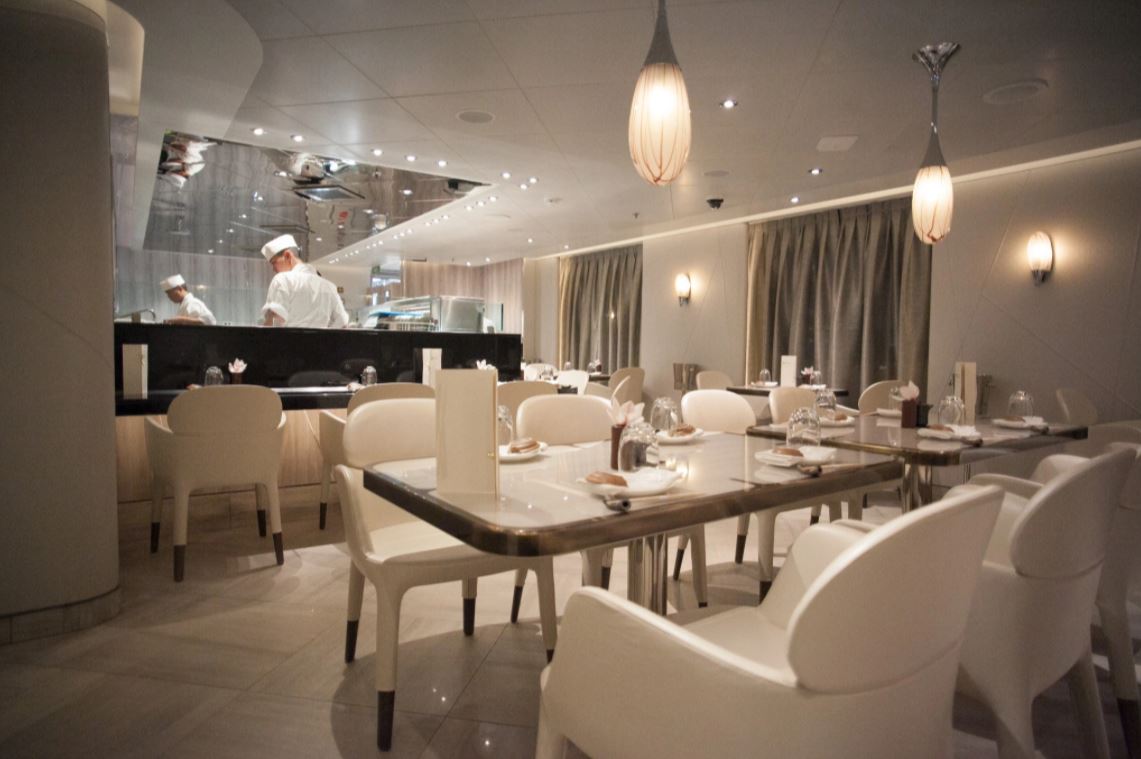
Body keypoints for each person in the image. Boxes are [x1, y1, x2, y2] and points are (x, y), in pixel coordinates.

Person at [260, 234, 349, 328]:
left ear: (287, 255)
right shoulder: (329, 286)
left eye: (274, 263)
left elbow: (275, 318)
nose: (273, 269)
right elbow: (342, 322)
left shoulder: (282, 279)